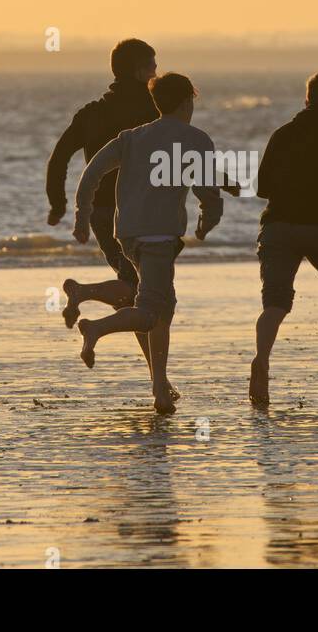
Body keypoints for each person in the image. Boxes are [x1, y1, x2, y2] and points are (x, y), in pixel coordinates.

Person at [72, 72, 228, 415]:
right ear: (187, 102)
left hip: (127, 235)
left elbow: (92, 172)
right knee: (151, 311)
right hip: (158, 237)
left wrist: (82, 214)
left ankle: (160, 387)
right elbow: (207, 191)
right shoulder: (195, 139)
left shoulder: (132, 137)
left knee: (162, 310)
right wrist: (208, 219)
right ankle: (95, 328)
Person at [44, 38, 175, 397]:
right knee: (146, 295)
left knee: (136, 296)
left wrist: (58, 203)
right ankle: (84, 294)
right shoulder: (154, 110)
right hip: (141, 214)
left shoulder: (90, 112)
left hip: (103, 217)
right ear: (139, 71)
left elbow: (59, 157)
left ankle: (157, 380)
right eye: (152, 67)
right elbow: (178, 150)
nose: (156, 74)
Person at [248, 72, 318, 406]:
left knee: (275, 302)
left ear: (308, 98)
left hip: (277, 227)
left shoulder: (282, 134)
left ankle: (262, 359)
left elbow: (262, 188)